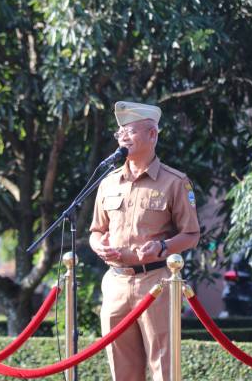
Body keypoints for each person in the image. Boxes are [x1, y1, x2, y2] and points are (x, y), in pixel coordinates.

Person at [89, 101, 200, 381]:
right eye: (120, 133)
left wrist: (162, 248)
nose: (123, 138)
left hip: (156, 282)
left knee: (164, 367)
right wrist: (98, 245)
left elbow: (192, 234)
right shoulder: (108, 182)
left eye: (130, 131)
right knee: (121, 370)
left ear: (152, 134)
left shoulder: (175, 182)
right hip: (116, 282)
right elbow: (96, 231)